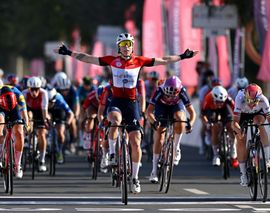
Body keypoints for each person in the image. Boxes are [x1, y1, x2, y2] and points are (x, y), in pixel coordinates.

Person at [55, 32, 198, 194]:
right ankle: (113, 154)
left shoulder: (139, 61)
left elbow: (163, 60)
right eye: (123, 45)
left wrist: (182, 56)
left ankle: (135, 178)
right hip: (116, 101)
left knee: (135, 141)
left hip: (131, 104)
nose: (126, 48)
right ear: (119, 48)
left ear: (132, 47)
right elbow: (87, 58)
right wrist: (69, 53)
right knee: (115, 120)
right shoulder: (111, 60)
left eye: (129, 45)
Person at [146, 76, 196, 183]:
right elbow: (148, 112)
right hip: (161, 107)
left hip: (176, 106)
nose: (169, 97)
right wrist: (154, 121)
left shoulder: (182, 91)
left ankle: (176, 146)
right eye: (167, 95)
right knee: (159, 137)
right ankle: (154, 170)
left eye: (172, 95)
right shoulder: (159, 90)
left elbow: (192, 113)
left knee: (180, 118)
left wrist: (190, 124)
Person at [232, 83, 270, 186]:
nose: (251, 104)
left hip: (257, 114)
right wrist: (239, 130)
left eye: (255, 102)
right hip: (243, 115)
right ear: (245, 96)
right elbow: (234, 122)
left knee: (260, 124)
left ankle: (267, 159)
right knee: (241, 139)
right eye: (249, 101)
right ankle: (243, 174)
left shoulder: (263, 99)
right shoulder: (239, 98)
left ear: (259, 98)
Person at [0, 85, 29, 179]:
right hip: (0, 109)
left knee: (19, 133)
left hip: (14, 109)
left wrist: (27, 125)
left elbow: (24, 113)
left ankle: (18, 165)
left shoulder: (19, 95)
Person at [201, 85, 238, 168]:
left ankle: (233, 148)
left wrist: (236, 122)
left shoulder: (228, 98)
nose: (220, 104)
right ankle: (216, 155)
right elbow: (203, 115)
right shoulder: (208, 98)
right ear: (213, 98)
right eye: (218, 102)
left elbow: (236, 110)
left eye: (222, 102)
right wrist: (207, 123)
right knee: (215, 127)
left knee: (230, 125)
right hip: (212, 111)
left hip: (225, 110)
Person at [22, 77, 50, 172]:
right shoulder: (24, 93)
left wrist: (45, 121)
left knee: (42, 134)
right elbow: (23, 110)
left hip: (40, 111)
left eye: (36, 89)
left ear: (39, 88)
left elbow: (44, 110)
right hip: (29, 111)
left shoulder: (44, 93)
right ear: (28, 88)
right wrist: (26, 123)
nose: (34, 92)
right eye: (32, 89)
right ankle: (28, 139)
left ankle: (42, 160)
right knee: (28, 118)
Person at [47, 87, 74, 163]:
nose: (50, 104)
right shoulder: (45, 99)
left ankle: (60, 151)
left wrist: (68, 123)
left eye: (51, 102)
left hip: (59, 112)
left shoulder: (60, 100)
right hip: (48, 112)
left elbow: (71, 113)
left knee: (60, 133)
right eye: (49, 102)